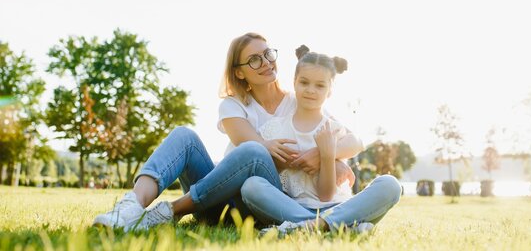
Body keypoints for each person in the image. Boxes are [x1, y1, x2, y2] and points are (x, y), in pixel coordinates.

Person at [92, 32, 358, 230]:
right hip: (217, 199)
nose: (265, 62)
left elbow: (352, 139)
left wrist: (324, 155)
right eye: (253, 60)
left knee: (254, 152)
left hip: (262, 200)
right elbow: (251, 147)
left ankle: (169, 212)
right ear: (239, 73)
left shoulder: (300, 100)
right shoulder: (233, 105)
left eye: (267, 54)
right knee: (185, 136)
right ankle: (129, 207)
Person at [241, 45, 402, 235]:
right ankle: (342, 227)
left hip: (337, 207)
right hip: (294, 208)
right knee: (251, 186)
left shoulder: (334, 131)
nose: (311, 90)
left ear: (330, 90)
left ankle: (312, 227)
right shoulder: (273, 129)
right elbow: (264, 174)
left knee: (390, 184)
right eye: (304, 82)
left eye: (320, 85)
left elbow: (326, 196)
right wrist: (283, 163)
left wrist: (327, 155)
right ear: (294, 83)